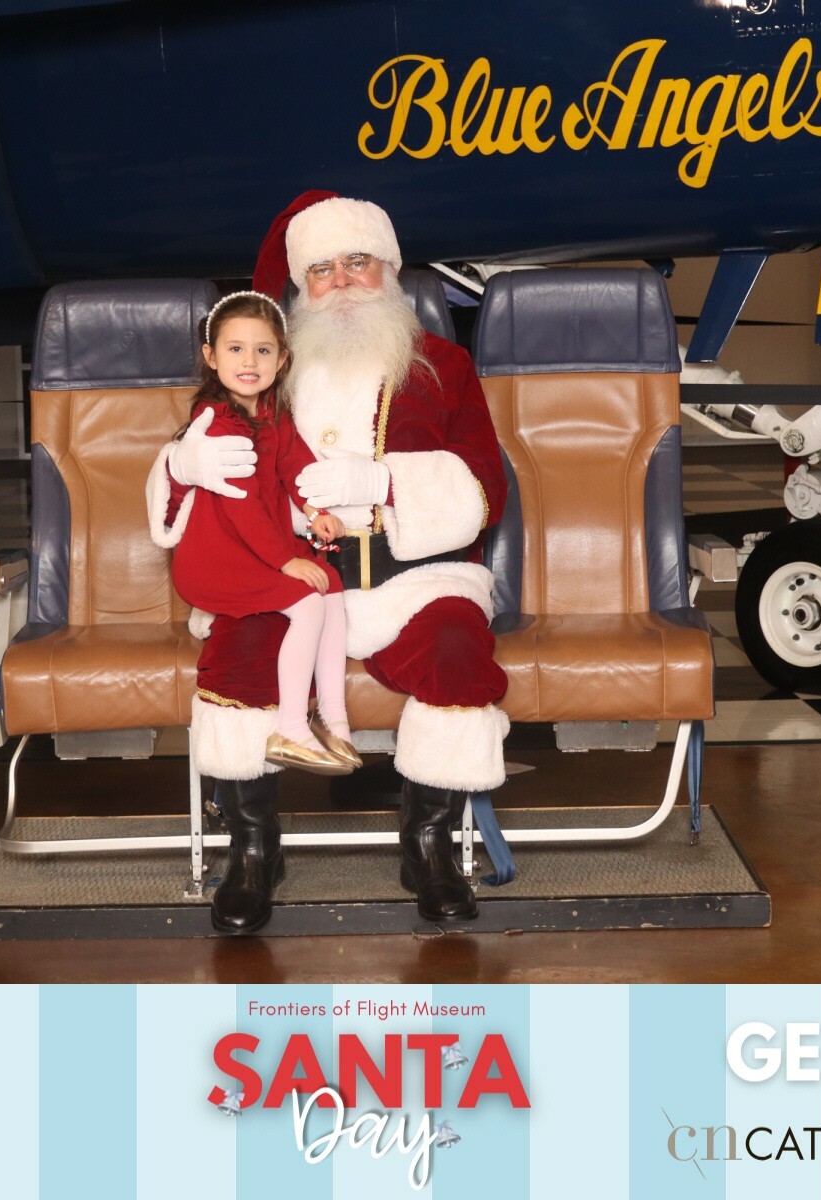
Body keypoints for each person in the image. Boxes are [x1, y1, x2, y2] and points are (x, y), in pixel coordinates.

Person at [147, 192, 509, 933]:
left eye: (357, 262)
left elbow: (486, 487)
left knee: (456, 652)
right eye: (321, 269)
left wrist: (383, 482)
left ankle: (429, 846)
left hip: (417, 579)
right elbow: (202, 462)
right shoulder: (265, 366)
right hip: (288, 577)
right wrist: (181, 465)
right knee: (239, 655)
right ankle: (253, 850)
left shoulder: (444, 364)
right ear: (300, 285)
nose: (340, 281)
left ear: (391, 271)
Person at [165, 291, 360, 933]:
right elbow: (244, 508)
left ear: (282, 358)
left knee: (330, 587)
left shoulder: (273, 410)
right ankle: (290, 729)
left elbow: (296, 462)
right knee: (306, 599)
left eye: (263, 350)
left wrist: (317, 510)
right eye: (235, 349)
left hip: (257, 546)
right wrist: (285, 561)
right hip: (218, 558)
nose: (249, 361)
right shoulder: (217, 423)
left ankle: (333, 720)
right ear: (210, 356)